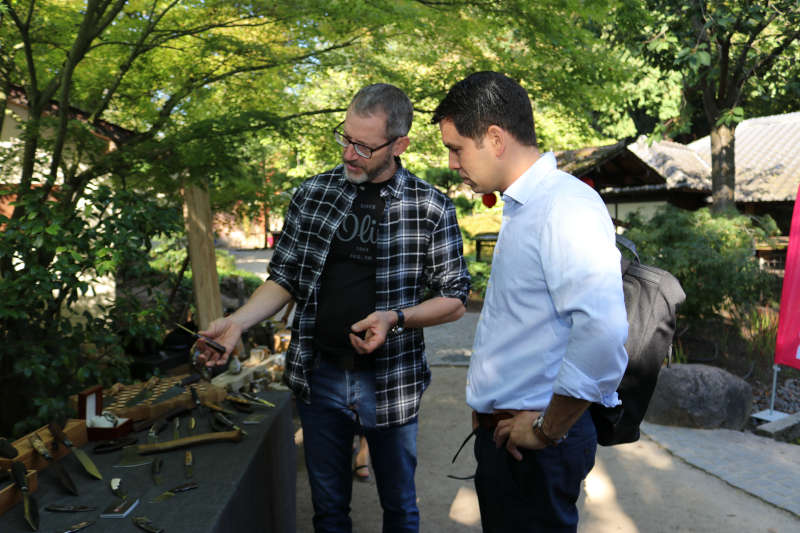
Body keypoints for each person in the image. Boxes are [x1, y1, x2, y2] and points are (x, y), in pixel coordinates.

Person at [198, 83, 470, 532]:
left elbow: (455, 299)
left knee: (400, 509)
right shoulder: (313, 194)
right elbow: (283, 277)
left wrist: (396, 318)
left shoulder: (430, 207)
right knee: (328, 512)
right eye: (345, 138)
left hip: (391, 380)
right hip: (319, 376)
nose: (349, 153)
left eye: (364, 145)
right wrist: (236, 322)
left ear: (400, 144)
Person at [432, 71, 628, 532]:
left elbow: (602, 333)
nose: (452, 162)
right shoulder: (527, 205)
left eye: (456, 147)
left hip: (537, 442)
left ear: (495, 138)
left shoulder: (564, 205)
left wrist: (546, 428)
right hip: (511, 436)